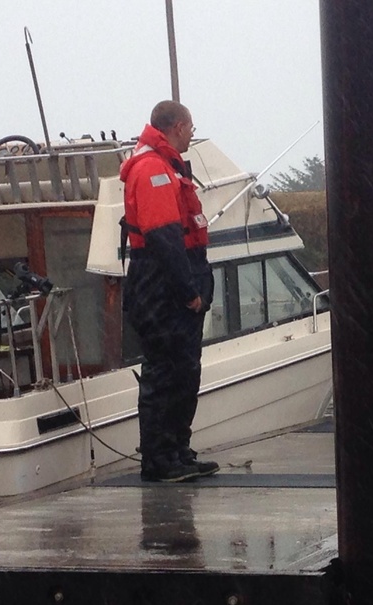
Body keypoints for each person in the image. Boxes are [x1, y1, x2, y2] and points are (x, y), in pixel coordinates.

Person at [120, 100, 219, 483]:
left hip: (175, 277)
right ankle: (159, 459)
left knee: (185, 371)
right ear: (177, 126)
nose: (193, 132)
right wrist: (188, 291)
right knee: (165, 372)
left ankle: (177, 450)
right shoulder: (152, 170)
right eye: (191, 126)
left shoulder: (165, 167)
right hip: (161, 284)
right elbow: (163, 235)